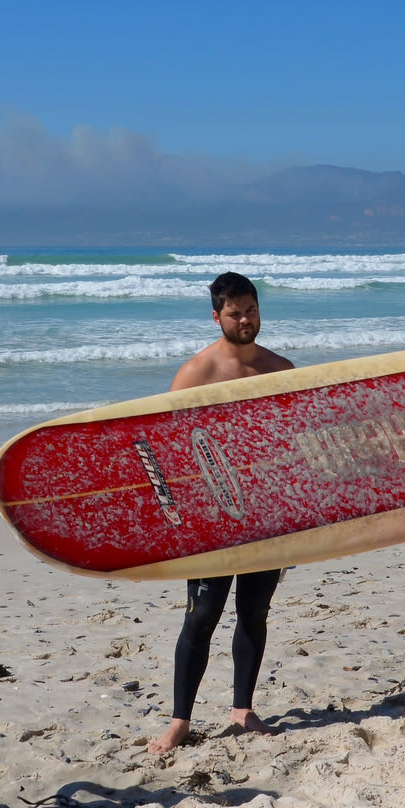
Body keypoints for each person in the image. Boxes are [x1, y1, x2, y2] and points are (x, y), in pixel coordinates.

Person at [148, 272, 294, 755]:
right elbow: (170, 454)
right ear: (216, 316)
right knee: (202, 615)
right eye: (235, 313)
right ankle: (180, 720)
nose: (245, 319)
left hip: (266, 514)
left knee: (254, 612)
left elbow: (293, 448)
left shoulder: (281, 370)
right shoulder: (195, 374)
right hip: (212, 519)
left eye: (251, 309)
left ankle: (242, 710)